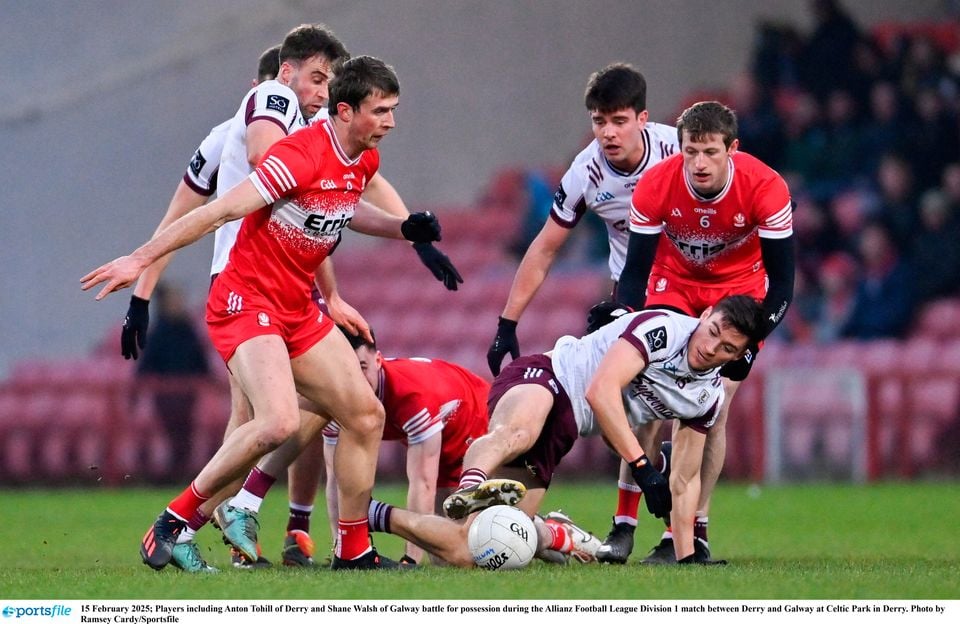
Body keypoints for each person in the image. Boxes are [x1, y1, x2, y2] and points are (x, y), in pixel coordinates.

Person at [82, 54, 443, 571]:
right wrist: (142, 258)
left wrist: (401, 229)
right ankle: (171, 525)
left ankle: (354, 550)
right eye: (381, 110)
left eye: (393, 109)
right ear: (345, 110)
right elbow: (223, 208)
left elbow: (343, 206)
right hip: (245, 301)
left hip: (295, 305)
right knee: (276, 421)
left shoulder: (363, 159)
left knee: (365, 416)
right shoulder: (297, 156)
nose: (391, 121)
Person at [366, 295, 766, 567]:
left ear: (737, 357)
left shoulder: (706, 397)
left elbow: (685, 479)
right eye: (713, 331)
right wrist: (643, 467)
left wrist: (687, 557)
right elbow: (600, 391)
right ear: (706, 313)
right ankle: (470, 489)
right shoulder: (662, 329)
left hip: (566, 428)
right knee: (517, 433)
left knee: (476, 550)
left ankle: (371, 513)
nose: (712, 348)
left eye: (727, 349)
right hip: (548, 376)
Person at [602, 100, 795, 564]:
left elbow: (783, 284)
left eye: (710, 152)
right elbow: (634, 273)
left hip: (739, 293)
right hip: (675, 284)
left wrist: (752, 341)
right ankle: (623, 524)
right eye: (691, 152)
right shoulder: (656, 183)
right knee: (648, 396)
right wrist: (622, 312)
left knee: (715, 406)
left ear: (732, 149)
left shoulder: (766, 187)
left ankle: (693, 529)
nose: (699, 163)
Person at [215, 328, 492, 566]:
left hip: (479, 426)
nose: (356, 380)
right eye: (348, 370)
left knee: (467, 551)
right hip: (446, 434)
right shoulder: (342, 397)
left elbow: (422, 483)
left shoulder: (414, 397)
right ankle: (348, 546)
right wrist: (341, 547)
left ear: (379, 360)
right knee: (449, 554)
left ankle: (532, 525)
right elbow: (336, 480)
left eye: (361, 368)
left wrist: (410, 559)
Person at [486, 62, 678, 376]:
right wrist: (507, 323)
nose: (608, 133)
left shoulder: (678, 151)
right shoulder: (585, 173)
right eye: (599, 122)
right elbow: (545, 249)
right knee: (637, 400)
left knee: (696, 399)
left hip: (692, 282)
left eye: (619, 121)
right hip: (635, 291)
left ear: (643, 119)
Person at [135, 283, 211, 484]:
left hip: (187, 394)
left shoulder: (188, 329)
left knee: (185, 433)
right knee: (172, 434)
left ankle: (182, 472)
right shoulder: (159, 332)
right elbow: (147, 363)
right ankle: (172, 472)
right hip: (166, 395)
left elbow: (199, 358)